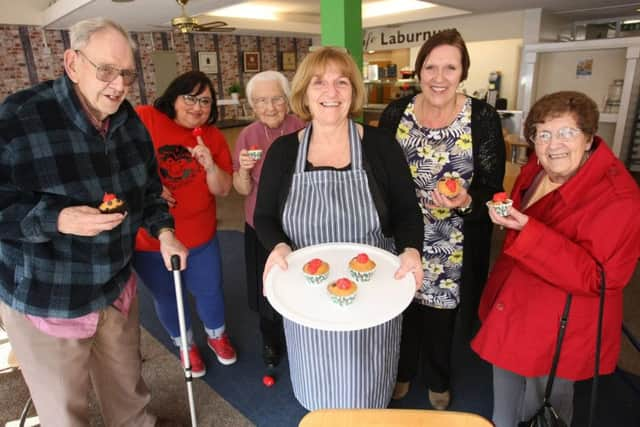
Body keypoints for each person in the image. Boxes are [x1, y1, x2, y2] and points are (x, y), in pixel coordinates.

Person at [0, 18, 188, 425]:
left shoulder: (130, 121)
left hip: (115, 286)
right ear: (72, 63)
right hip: (50, 294)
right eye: (106, 70)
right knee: (66, 411)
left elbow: (149, 191)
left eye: (126, 74)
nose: (118, 85)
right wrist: (58, 218)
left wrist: (165, 232)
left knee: (131, 396)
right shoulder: (19, 117)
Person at [254, 46, 424, 410]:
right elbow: (265, 216)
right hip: (307, 297)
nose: (331, 92)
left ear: (353, 91)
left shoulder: (380, 146)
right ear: (303, 93)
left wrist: (411, 250)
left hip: (372, 295)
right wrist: (279, 246)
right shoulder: (284, 152)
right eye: (319, 82)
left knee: (368, 389)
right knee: (320, 390)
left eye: (341, 82)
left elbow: (409, 211)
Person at [472, 91, 640, 427]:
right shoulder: (536, 168)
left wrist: (527, 229)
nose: (553, 145)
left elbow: (600, 278)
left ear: (589, 138)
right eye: (543, 134)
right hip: (514, 304)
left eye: (567, 133)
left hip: (559, 322)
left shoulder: (619, 198)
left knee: (546, 406)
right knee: (504, 402)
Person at [378, 29, 505, 409]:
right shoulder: (396, 113)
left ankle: (438, 378)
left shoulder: (481, 118)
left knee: (441, 316)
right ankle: (402, 372)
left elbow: (492, 187)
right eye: (431, 66)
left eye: (450, 67)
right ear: (419, 72)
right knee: (402, 309)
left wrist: (466, 200)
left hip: (454, 241)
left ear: (463, 72)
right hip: (402, 235)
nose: (439, 76)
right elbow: (379, 173)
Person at [134, 71, 236, 377]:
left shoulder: (213, 137)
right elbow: (114, 154)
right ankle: (185, 344)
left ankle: (217, 336)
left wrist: (211, 166)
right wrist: (145, 183)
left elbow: (224, 189)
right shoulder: (145, 118)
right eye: (190, 98)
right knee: (166, 295)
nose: (197, 106)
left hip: (200, 235)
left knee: (209, 290)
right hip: (151, 239)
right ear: (173, 98)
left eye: (205, 101)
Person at [232, 71, 304, 368]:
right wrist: (245, 170)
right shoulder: (247, 135)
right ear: (253, 106)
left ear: (287, 100)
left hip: (298, 223)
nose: (270, 107)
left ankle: (300, 338)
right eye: (261, 101)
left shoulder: (302, 128)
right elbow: (241, 189)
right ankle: (270, 341)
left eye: (276, 98)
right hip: (260, 225)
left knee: (300, 283)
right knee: (266, 288)